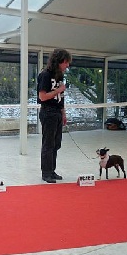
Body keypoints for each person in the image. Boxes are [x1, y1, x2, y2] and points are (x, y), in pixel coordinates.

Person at [37, 48, 72, 183]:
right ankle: (46, 173)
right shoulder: (45, 75)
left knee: (56, 144)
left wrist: (63, 113)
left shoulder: (60, 76)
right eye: (66, 62)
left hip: (57, 112)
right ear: (59, 61)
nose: (67, 65)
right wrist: (59, 89)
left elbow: (61, 97)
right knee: (48, 144)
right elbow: (42, 96)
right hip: (48, 112)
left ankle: (52, 170)